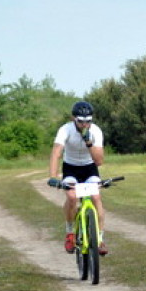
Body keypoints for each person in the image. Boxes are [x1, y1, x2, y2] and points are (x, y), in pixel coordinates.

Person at [47, 101, 108, 255]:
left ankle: (100, 239)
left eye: (88, 121)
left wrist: (89, 142)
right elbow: (56, 153)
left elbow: (99, 161)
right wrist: (53, 177)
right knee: (72, 197)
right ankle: (70, 233)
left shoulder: (96, 131)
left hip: (89, 168)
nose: (84, 125)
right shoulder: (65, 129)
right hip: (71, 168)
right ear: (74, 119)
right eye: (81, 121)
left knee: (95, 197)